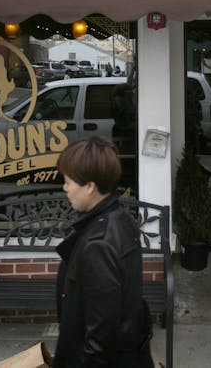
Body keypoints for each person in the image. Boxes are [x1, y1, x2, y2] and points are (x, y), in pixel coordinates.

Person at [54, 136, 154, 368]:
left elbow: (101, 340)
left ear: (89, 187)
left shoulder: (99, 244)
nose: (65, 188)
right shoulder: (119, 218)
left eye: (68, 181)